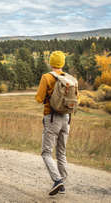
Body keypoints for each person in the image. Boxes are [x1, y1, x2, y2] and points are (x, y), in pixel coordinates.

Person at [35, 51, 76, 196]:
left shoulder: (46, 77)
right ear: (62, 63)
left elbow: (39, 98)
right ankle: (63, 184)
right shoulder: (70, 79)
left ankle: (58, 180)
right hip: (66, 118)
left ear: (51, 62)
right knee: (61, 152)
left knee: (46, 152)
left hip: (52, 118)